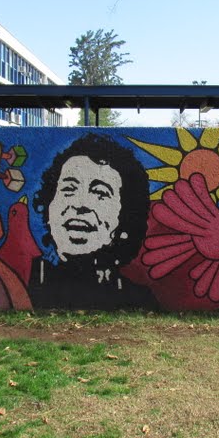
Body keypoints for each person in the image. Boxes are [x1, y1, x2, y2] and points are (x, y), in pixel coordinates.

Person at [29, 133, 154, 310]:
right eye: (69, 188)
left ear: (125, 217)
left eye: (100, 193)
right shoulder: (19, 281)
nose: (79, 204)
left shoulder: (138, 301)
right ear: (48, 204)